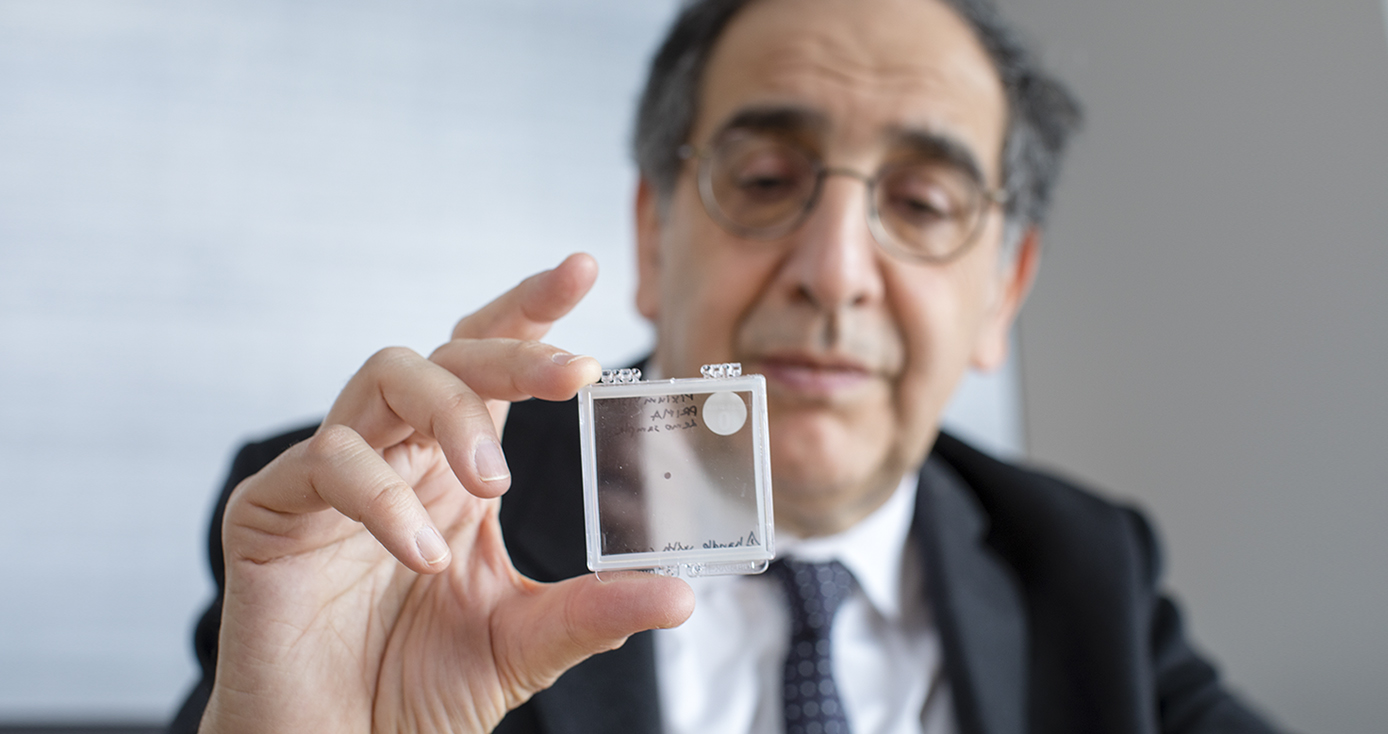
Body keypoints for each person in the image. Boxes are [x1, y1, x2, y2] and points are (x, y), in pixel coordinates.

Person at [172, 0, 1284, 732]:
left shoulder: (1090, 571)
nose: (834, 269)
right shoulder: (370, 546)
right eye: (761, 180)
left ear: (1001, 288)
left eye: (922, 203)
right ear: (653, 238)